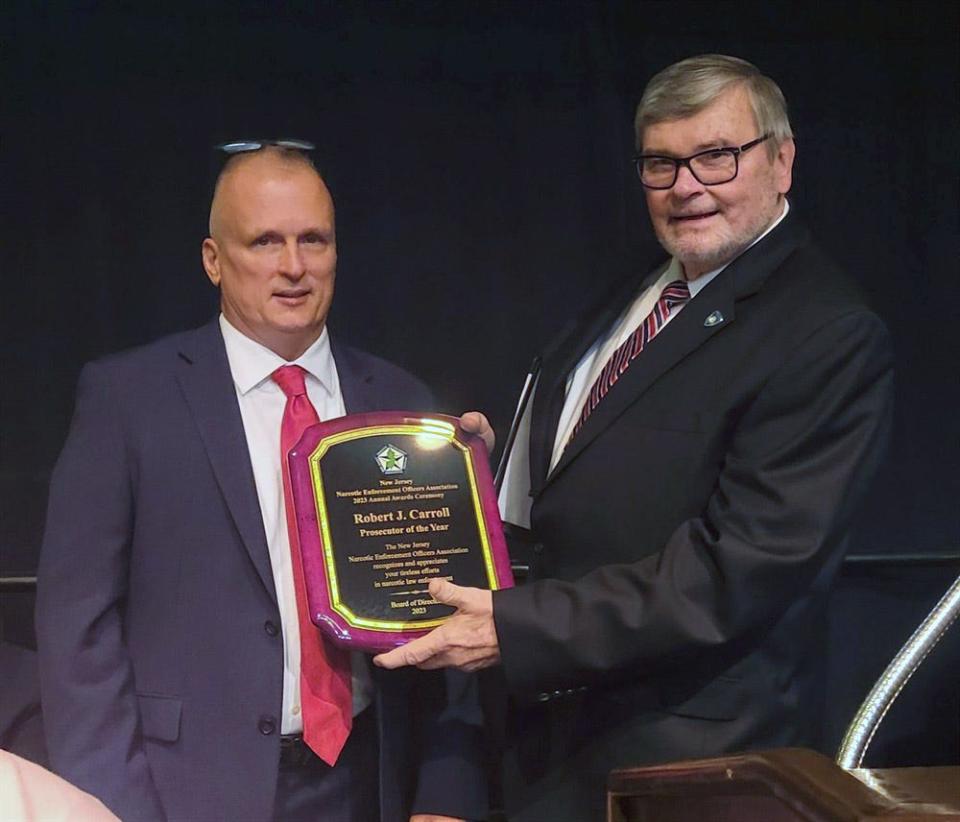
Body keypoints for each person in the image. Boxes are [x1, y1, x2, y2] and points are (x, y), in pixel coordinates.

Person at [375, 55, 894, 819]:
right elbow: (590, 472)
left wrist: (518, 629)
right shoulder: (636, 285)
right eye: (661, 163)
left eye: (717, 155)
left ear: (782, 161)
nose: (687, 185)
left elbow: (734, 574)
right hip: (547, 751)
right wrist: (485, 474)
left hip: (686, 774)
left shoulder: (827, 333)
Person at [36, 143, 486, 822]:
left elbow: (450, 618)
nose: (294, 267)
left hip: (370, 782)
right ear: (214, 259)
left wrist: (447, 795)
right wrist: (110, 806)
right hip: (182, 792)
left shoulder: (402, 404)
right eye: (265, 241)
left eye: (314, 240)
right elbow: (77, 630)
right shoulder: (127, 398)